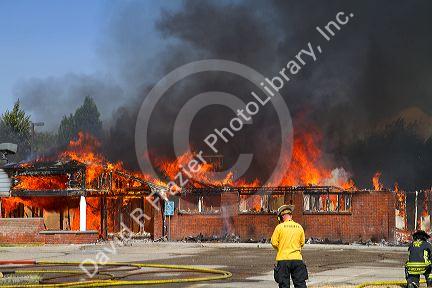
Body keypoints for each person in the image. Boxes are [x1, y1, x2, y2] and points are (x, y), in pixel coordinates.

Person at [271, 204, 308, 288]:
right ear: (291, 215)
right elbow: (302, 243)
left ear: (282, 216)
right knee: (300, 284)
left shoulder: (279, 227)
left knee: (284, 285)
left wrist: (281, 248)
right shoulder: (299, 227)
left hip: (283, 260)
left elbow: (274, 243)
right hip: (297, 259)